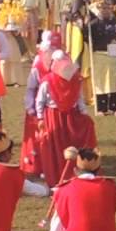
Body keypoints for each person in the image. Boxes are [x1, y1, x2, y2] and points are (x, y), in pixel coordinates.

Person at [33, 50, 97, 186]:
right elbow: (40, 100)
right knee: (56, 146)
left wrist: (84, 114)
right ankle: (57, 175)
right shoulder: (47, 82)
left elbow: (78, 98)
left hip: (71, 116)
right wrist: (40, 118)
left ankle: (75, 173)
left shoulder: (74, 80)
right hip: (53, 116)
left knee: (72, 144)